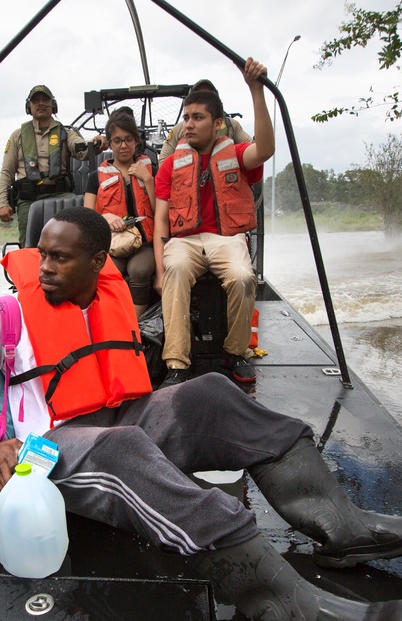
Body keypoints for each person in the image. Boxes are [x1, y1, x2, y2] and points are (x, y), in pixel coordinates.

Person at [0, 206, 402, 621]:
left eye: (60, 258)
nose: (44, 267)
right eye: (41, 254)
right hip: (43, 452)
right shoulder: (4, 315)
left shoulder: (112, 300)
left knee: (212, 391)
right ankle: (290, 613)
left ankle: (342, 527)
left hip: (112, 420)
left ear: (97, 263)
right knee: (124, 449)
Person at [152, 58, 268, 387]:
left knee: (243, 276)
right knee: (175, 271)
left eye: (197, 117)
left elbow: (266, 149)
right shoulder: (170, 164)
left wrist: (255, 90)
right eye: (186, 117)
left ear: (217, 123)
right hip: (184, 241)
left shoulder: (237, 152)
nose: (188, 124)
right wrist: (159, 270)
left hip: (226, 238)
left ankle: (235, 352)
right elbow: (161, 219)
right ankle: (177, 363)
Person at [0, 84, 93, 247]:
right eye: (36, 101)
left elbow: (82, 150)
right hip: (29, 199)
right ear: (29, 106)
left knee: (76, 236)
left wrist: (95, 145)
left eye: (45, 100)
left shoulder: (66, 133)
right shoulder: (17, 136)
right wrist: (3, 204)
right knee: (28, 244)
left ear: (53, 105)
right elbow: (6, 172)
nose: (41, 103)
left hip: (61, 195)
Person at [84, 111, 156, 318]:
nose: (123, 146)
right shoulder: (94, 177)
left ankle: (133, 323)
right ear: (110, 144)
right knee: (105, 270)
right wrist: (105, 218)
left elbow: (160, 210)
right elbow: (88, 216)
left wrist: (148, 180)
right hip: (113, 243)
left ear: (136, 141)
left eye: (128, 140)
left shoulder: (152, 170)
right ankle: (108, 319)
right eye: (117, 141)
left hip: (143, 243)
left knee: (139, 271)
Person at [157, 79, 252, 165]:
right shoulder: (179, 129)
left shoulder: (231, 125)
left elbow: (255, 150)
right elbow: (163, 161)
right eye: (199, 95)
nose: (204, 98)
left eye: (209, 96)